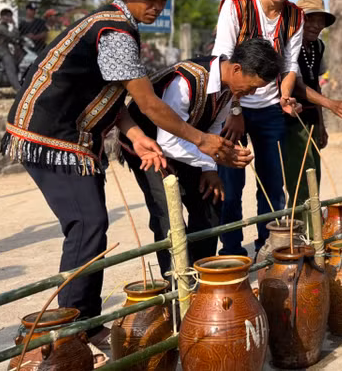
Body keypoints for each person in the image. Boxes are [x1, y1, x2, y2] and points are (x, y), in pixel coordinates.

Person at [1, 0, 237, 355]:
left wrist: (136, 135)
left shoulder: (118, 26)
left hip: (75, 137)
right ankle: (70, 329)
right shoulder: (114, 30)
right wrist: (202, 140)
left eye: (162, 0)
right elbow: (148, 103)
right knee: (87, 224)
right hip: (51, 135)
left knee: (90, 227)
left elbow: (117, 98)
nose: (157, 6)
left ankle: (84, 321)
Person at [121, 38, 283, 282]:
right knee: (168, 214)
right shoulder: (185, 83)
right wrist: (218, 157)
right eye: (251, 87)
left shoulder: (229, 87)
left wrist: (209, 168)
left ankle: (201, 277)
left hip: (187, 144)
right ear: (237, 69)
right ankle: (178, 283)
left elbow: (214, 127)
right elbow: (168, 142)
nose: (250, 94)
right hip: (148, 145)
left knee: (211, 200)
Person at [212, 0, 305, 257]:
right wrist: (234, 109)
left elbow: (290, 64)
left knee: (273, 184)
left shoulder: (296, 15)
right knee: (230, 184)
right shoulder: (235, 5)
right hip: (231, 106)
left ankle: (269, 246)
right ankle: (231, 251)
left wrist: (286, 96)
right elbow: (222, 61)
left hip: (270, 109)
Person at [283, 0, 342, 211]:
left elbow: (315, 84)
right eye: (310, 19)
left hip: (311, 119)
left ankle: (312, 222)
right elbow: (297, 85)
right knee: (300, 178)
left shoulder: (317, 46)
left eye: (320, 21)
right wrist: (331, 104)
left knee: (314, 174)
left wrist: (321, 124)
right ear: (298, 21)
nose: (316, 25)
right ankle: (300, 225)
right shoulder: (288, 44)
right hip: (291, 119)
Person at [0, 8, 23, 92]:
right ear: (2, 17)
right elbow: (12, 36)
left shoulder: (5, 26)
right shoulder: (0, 27)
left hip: (3, 48)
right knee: (10, 67)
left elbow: (13, 38)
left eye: (10, 16)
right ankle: (18, 89)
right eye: (7, 16)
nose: (9, 18)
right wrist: (14, 25)